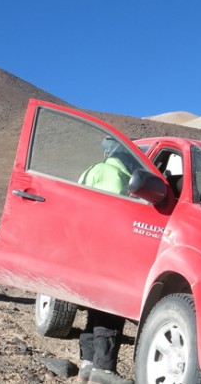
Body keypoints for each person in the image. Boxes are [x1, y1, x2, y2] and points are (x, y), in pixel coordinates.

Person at [77, 137, 136, 384]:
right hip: (109, 249)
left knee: (95, 307)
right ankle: (104, 369)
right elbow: (118, 215)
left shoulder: (91, 170)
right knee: (111, 307)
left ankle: (88, 364)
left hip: (86, 246)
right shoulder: (116, 176)